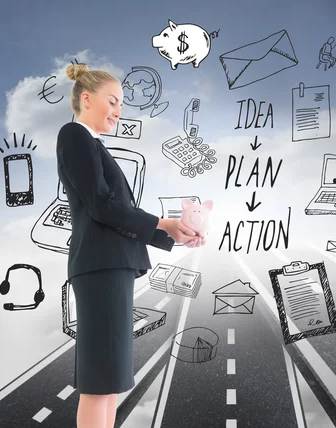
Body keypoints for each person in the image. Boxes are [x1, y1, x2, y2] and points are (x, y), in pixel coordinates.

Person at [58, 63, 204, 428]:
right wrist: (163, 224)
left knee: (109, 382)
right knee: (99, 380)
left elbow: (115, 211)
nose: (119, 111)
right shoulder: (74, 136)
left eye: (121, 104)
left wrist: (169, 231)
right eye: (113, 101)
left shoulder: (92, 144)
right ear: (86, 98)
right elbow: (103, 205)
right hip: (101, 268)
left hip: (111, 269)